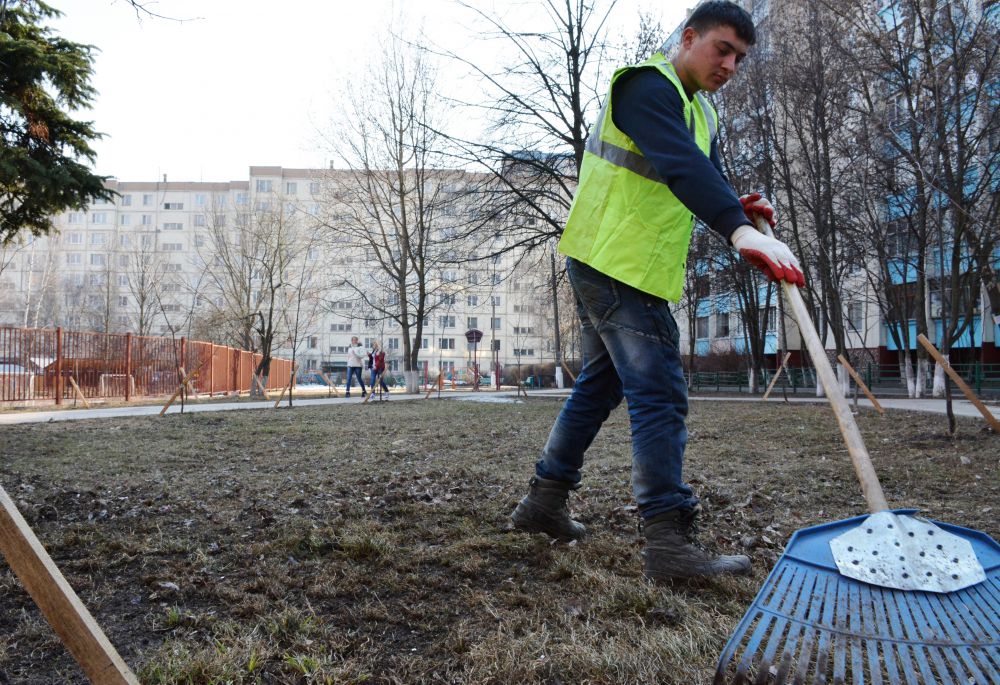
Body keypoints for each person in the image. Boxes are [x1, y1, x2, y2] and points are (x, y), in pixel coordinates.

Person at [511, 1, 805, 581]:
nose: (731, 66)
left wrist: (736, 205)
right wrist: (738, 228)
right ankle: (668, 541)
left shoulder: (705, 115)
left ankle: (543, 501)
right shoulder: (646, 87)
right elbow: (677, 165)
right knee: (660, 391)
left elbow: (703, 176)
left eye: (740, 58)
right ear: (689, 37)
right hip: (615, 261)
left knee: (601, 386)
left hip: (628, 264)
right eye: (722, 49)